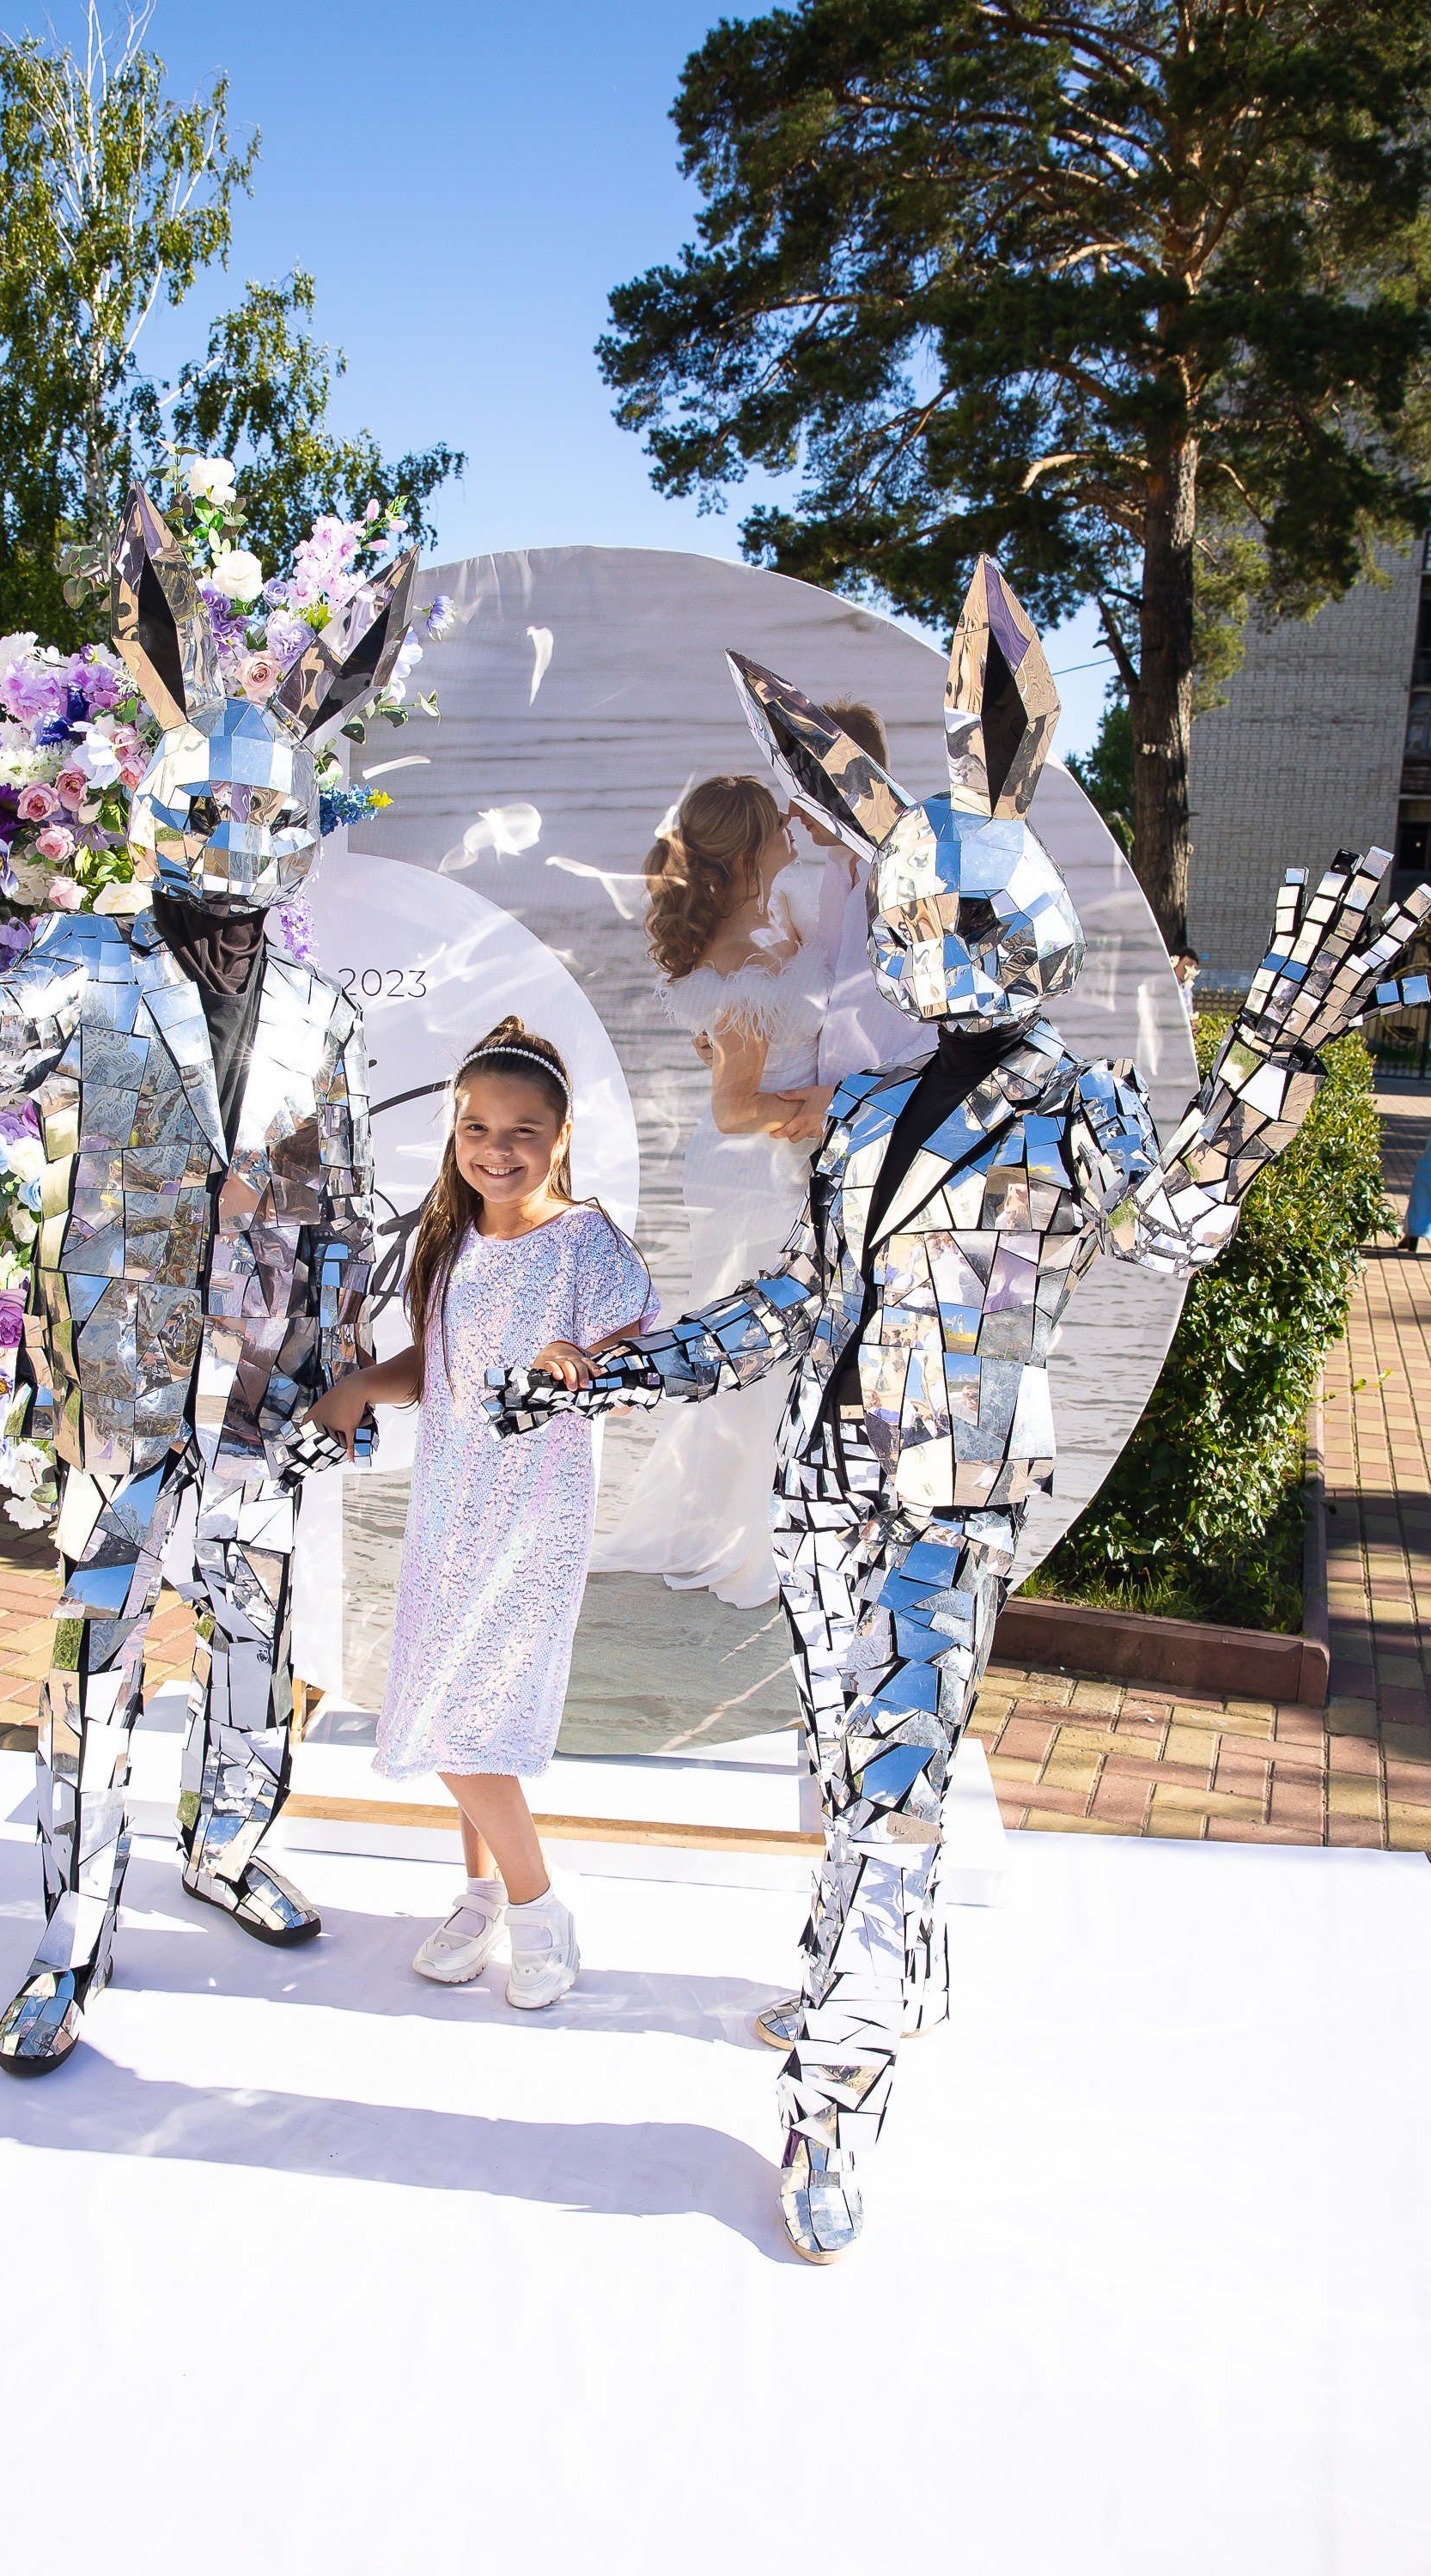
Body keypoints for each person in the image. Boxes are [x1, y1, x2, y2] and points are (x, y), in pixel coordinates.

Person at [489, 563, 1431, 2263]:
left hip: (948, 1501)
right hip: (818, 1501)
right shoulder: (854, 1109)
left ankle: (834, 2093)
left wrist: (1284, 1027)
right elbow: (795, 1300)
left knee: (894, 1784)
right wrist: (611, 1371)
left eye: (964, 924)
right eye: (914, 923)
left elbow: (1181, 1216)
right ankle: (894, 1975)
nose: (933, 954)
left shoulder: (1075, 1109)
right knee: (847, 1763)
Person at [0, 483, 416, 2075]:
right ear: (162, 809)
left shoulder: (328, 1013)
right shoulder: (88, 964)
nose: (235, 842)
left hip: (270, 1402)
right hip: (125, 1400)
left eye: (264, 817)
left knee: (258, 1640)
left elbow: (345, 1198)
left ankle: (228, 1843)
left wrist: (339, 1374)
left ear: (302, 827)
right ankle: (75, 1929)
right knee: (94, 1660)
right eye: (210, 812)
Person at [308, 1017, 655, 2008]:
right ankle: (478, 1894)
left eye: (522, 1131)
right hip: (448, 1510)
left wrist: (581, 1363)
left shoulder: (584, 1243)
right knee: (465, 1709)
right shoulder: (451, 1241)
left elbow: (633, 1367)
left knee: (464, 1718)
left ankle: (540, 1908)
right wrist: (361, 1387)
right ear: (454, 1134)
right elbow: (437, 1369)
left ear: (562, 1134)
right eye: (476, 1129)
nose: (496, 1152)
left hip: (530, 1519)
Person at [588, 776, 829, 1607]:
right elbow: (735, 1108)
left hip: (751, 1170)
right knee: (753, 1355)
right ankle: (732, 1536)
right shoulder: (744, 961)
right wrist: (827, 1111)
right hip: (754, 1173)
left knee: (752, 1352)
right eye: (775, 832)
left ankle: (736, 1518)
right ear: (742, 853)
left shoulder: (748, 945)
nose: (788, 842)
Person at [798, 699, 936, 1090]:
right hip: (827, 1124)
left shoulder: (919, 875)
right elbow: (830, 1002)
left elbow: (958, 1027)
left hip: (896, 1118)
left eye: (808, 786)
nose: (794, 808)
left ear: (852, 782)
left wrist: (864, 1096)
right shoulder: (837, 868)